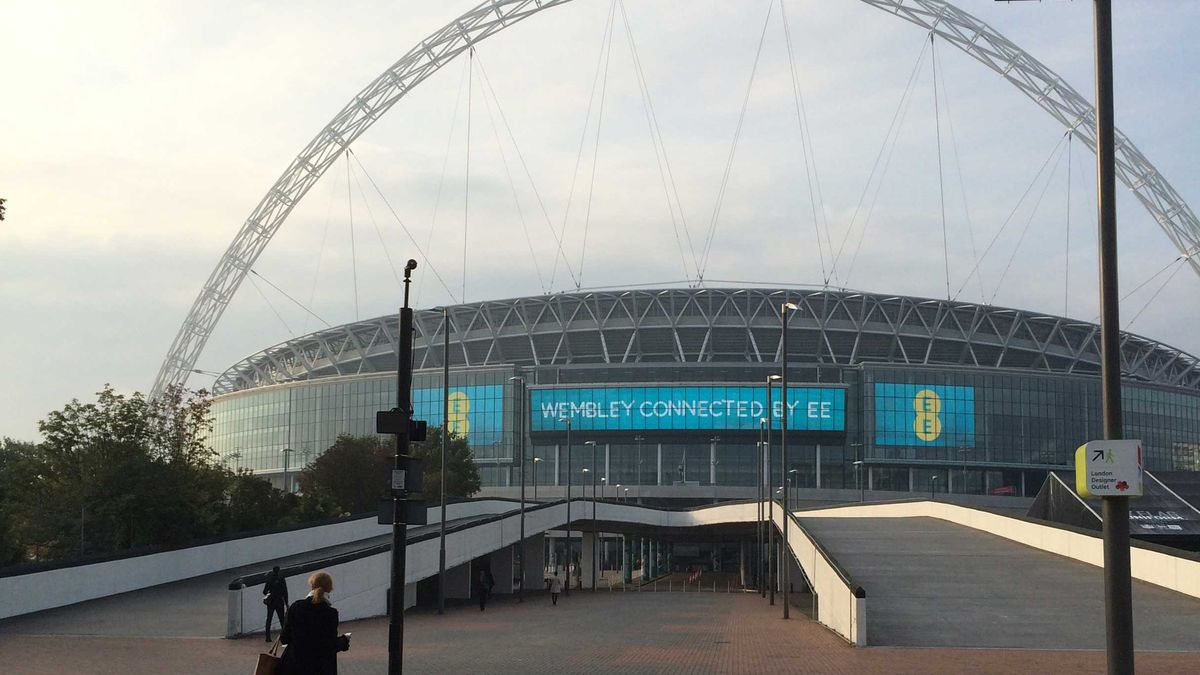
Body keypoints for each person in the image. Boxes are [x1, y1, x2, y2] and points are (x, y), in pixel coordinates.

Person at [278, 571, 349, 675]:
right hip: (319, 668)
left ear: (311, 585)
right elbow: (329, 645)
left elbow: (284, 638)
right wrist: (344, 641)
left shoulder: (296, 607)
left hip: (294, 666)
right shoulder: (331, 613)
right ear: (329, 589)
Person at [262, 565, 289, 642]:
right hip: (279, 602)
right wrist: (286, 603)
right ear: (279, 570)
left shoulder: (269, 579)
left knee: (269, 619)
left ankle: (267, 637)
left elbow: (264, 591)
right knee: (282, 620)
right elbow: (285, 591)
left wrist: (269, 594)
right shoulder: (281, 578)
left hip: (271, 602)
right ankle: (284, 637)